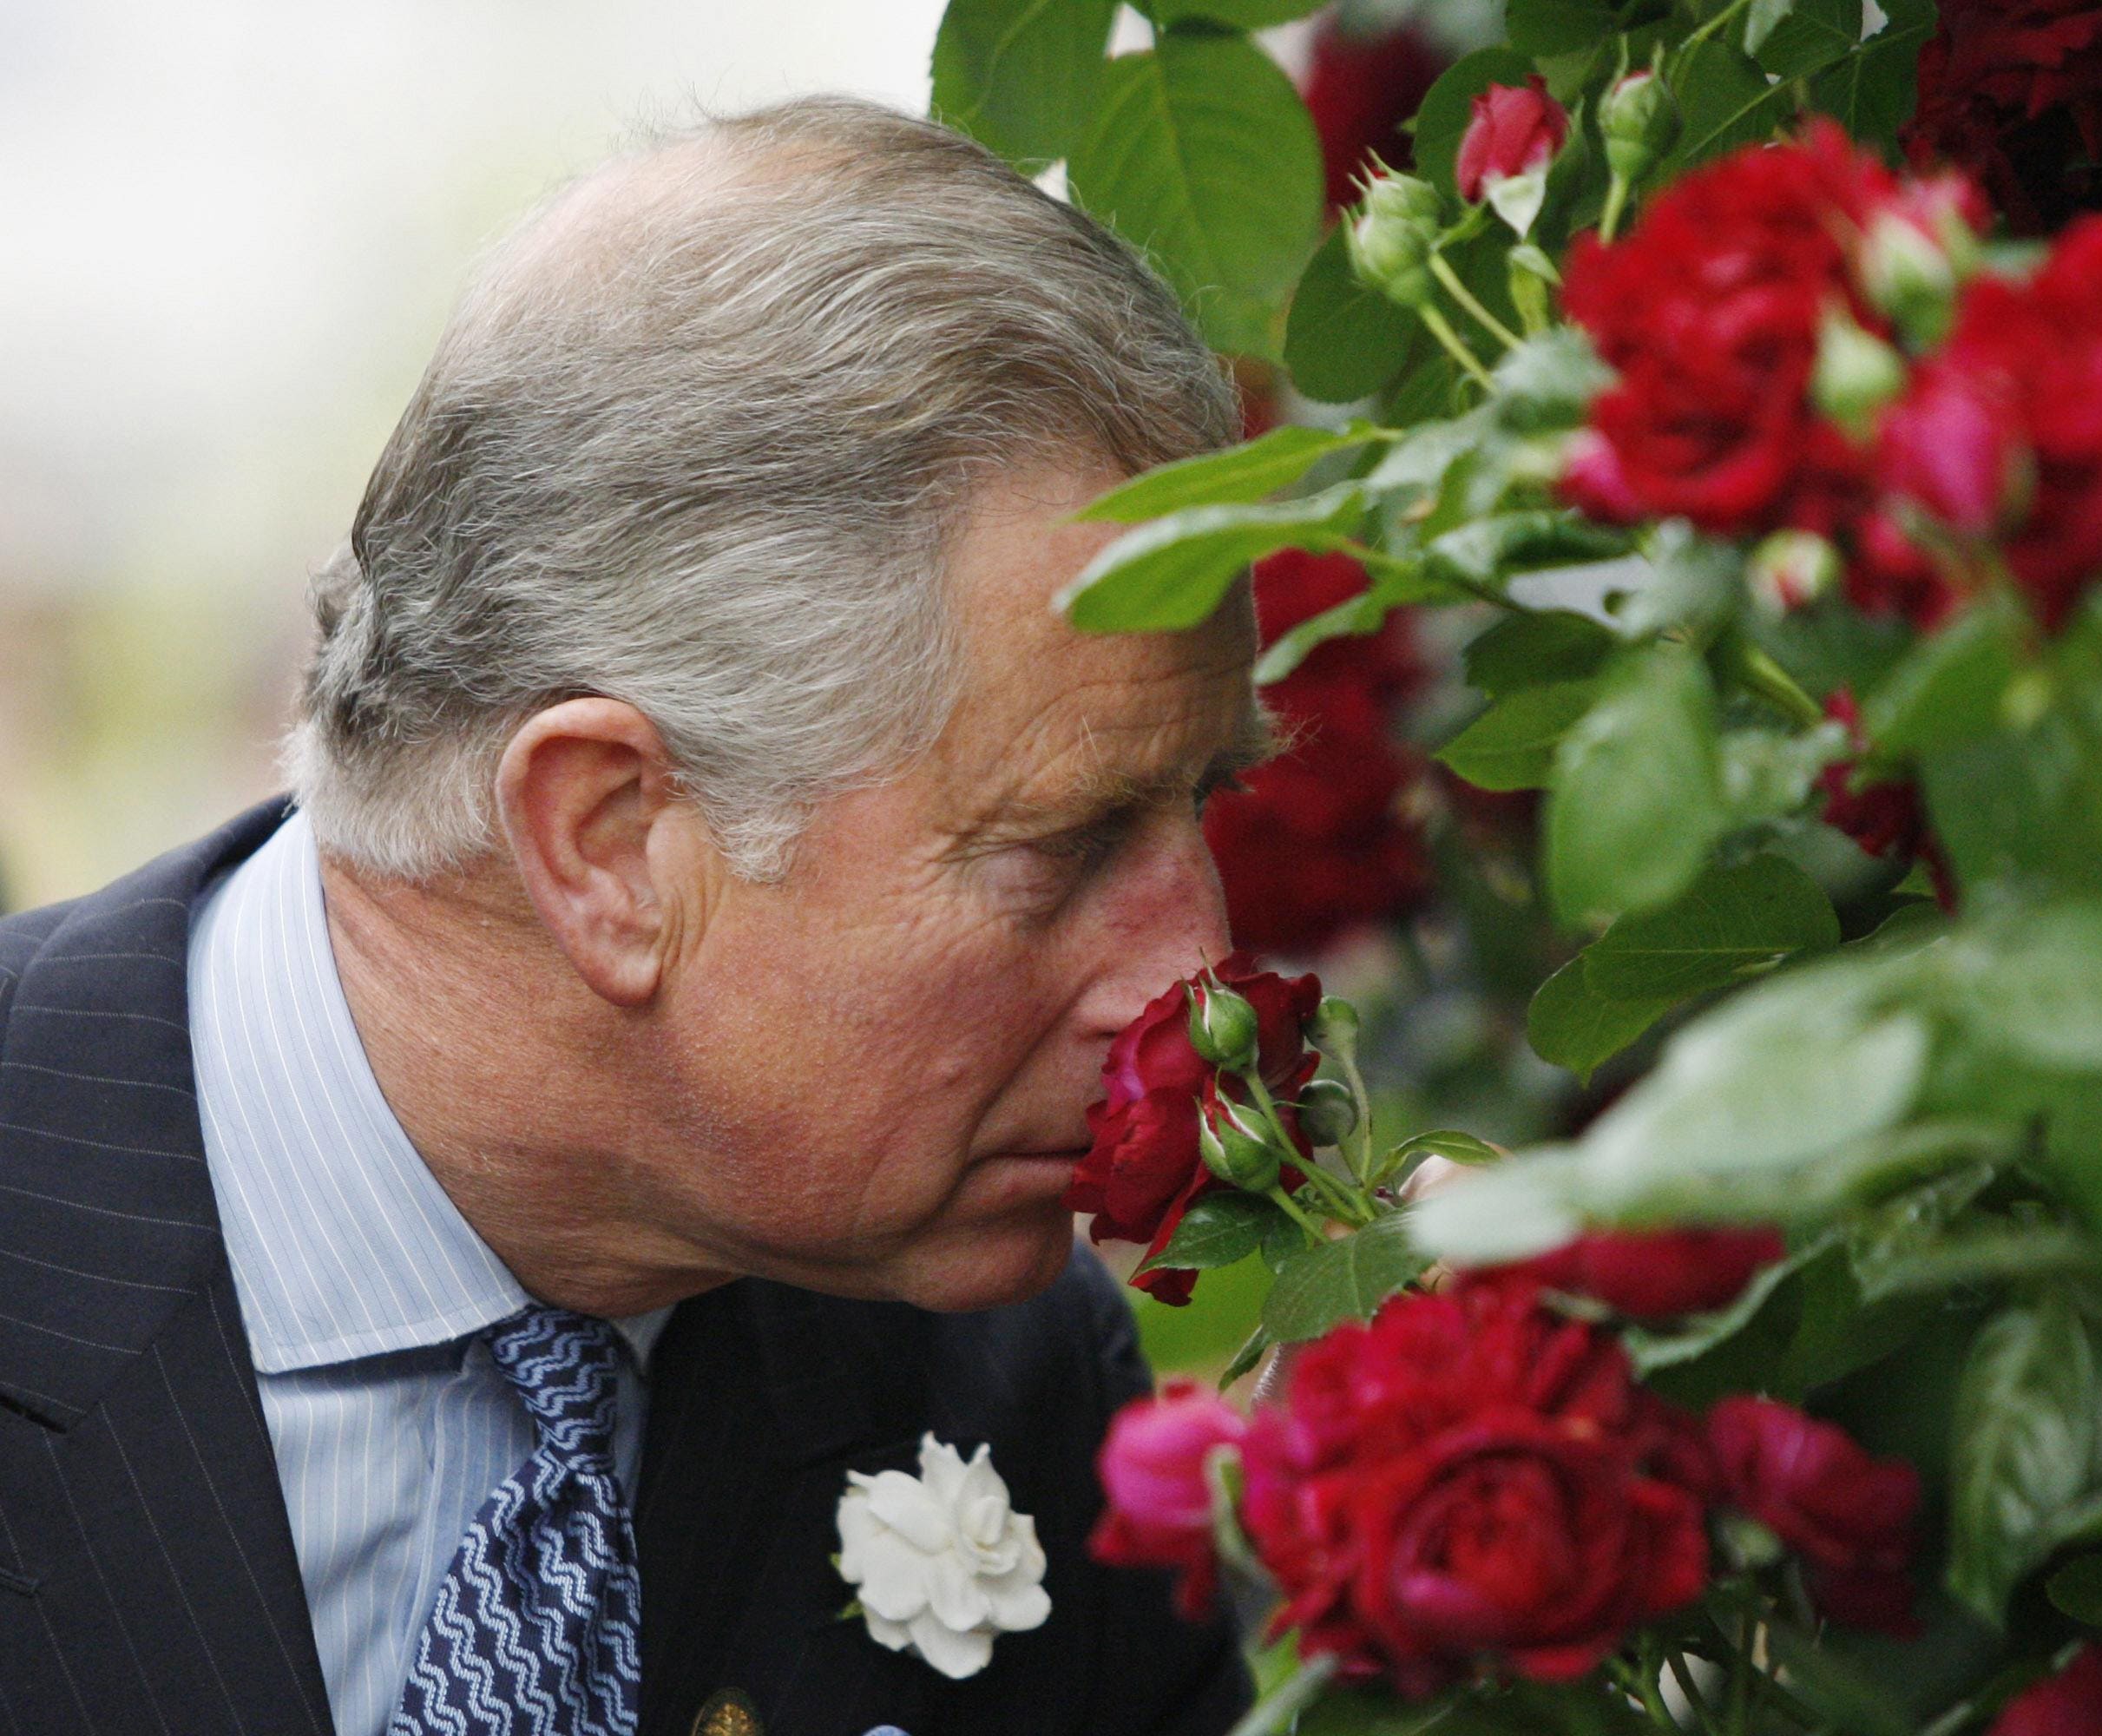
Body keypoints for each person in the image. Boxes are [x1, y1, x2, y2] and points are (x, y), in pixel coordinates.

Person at [0, 96, 1263, 1736]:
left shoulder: (1011, 1375)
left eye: (1208, 802)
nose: (1200, 971)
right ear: (606, 839)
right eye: (1065, 845)